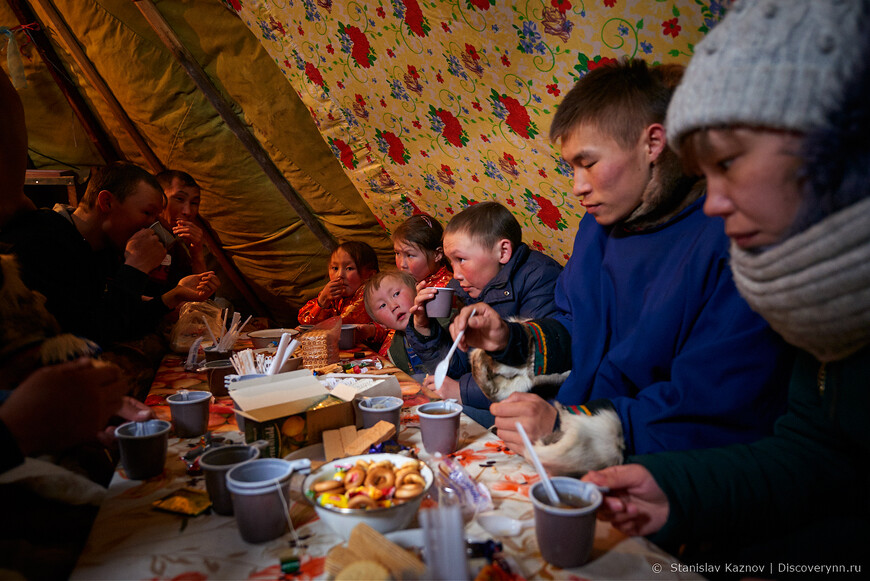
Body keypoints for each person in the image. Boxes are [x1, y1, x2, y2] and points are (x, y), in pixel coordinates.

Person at [583, 1, 870, 574]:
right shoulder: (827, 309)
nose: (714, 201)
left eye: (730, 161)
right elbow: (819, 454)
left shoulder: (722, 254)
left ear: (842, 142)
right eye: (704, 175)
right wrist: (678, 492)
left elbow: (717, 400)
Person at [450, 59, 792, 470]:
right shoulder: (597, 229)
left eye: (588, 163)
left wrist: (568, 426)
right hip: (572, 437)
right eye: (571, 168)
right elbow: (577, 326)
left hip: (662, 465)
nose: (578, 187)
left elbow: (715, 403)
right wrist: (509, 339)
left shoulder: (731, 237)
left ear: (652, 143)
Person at [0, 162, 220, 346]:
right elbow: (95, 333)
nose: (152, 225)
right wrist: (135, 269)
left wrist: (175, 295)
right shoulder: (42, 241)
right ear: (106, 202)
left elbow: (122, 320)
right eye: (146, 213)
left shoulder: (100, 248)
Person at [407, 201, 563, 426]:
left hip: (540, 407)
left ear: (503, 251)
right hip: (489, 393)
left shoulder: (540, 279)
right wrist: (424, 328)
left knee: (434, 419)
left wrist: (462, 390)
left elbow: (537, 367)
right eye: (451, 262)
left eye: (461, 259)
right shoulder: (473, 290)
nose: (456, 274)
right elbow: (457, 365)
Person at [298, 240, 387, 348]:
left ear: (370, 275)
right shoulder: (332, 295)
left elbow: (341, 324)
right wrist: (323, 301)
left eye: (349, 268)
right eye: (335, 268)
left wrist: (371, 330)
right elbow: (305, 321)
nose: (339, 275)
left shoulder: (370, 294)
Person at [145, 170, 211, 296]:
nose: (187, 211)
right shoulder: (137, 234)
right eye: (180, 199)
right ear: (159, 198)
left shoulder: (177, 247)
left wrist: (196, 253)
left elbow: (200, 296)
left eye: (194, 203)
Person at [364, 270, 431, 378]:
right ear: (380, 323)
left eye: (396, 294)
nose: (393, 306)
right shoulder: (394, 351)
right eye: (382, 305)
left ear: (417, 290)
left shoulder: (446, 324)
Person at [392, 213, 452, 287]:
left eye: (409, 255)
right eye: (397, 253)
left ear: (437, 254)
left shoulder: (446, 290)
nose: (402, 264)